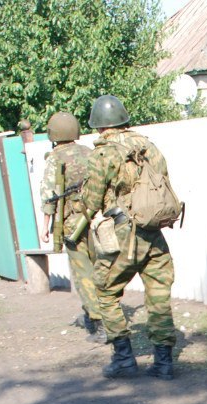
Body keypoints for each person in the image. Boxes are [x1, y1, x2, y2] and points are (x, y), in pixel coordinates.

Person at [79, 94, 179, 380]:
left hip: (122, 234)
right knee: (159, 293)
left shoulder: (102, 154)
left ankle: (123, 358)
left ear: (99, 125)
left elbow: (91, 199)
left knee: (106, 291)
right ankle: (164, 363)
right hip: (154, 233)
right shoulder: (149, 147)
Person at [38, 110, 104, 343]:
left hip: (71, 224)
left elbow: (49, 197)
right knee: (99, 267)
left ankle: (99, 322)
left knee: (82, 272)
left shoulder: (55, 158)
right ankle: (96, 313)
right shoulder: (90, 153)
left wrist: (45, 226)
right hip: (96, 219)